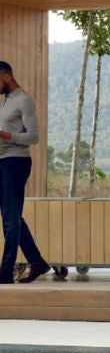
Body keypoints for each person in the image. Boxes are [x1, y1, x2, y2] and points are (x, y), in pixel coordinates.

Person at [0, 60, 50, 285]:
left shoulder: (24, 100)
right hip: (3, 162)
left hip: (16, 163)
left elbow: (33, 137)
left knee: (11, 221)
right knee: (13, 218)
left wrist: (4, 135)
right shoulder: (7, 101)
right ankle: (36, 261)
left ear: (7, 76)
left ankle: (5, 272)